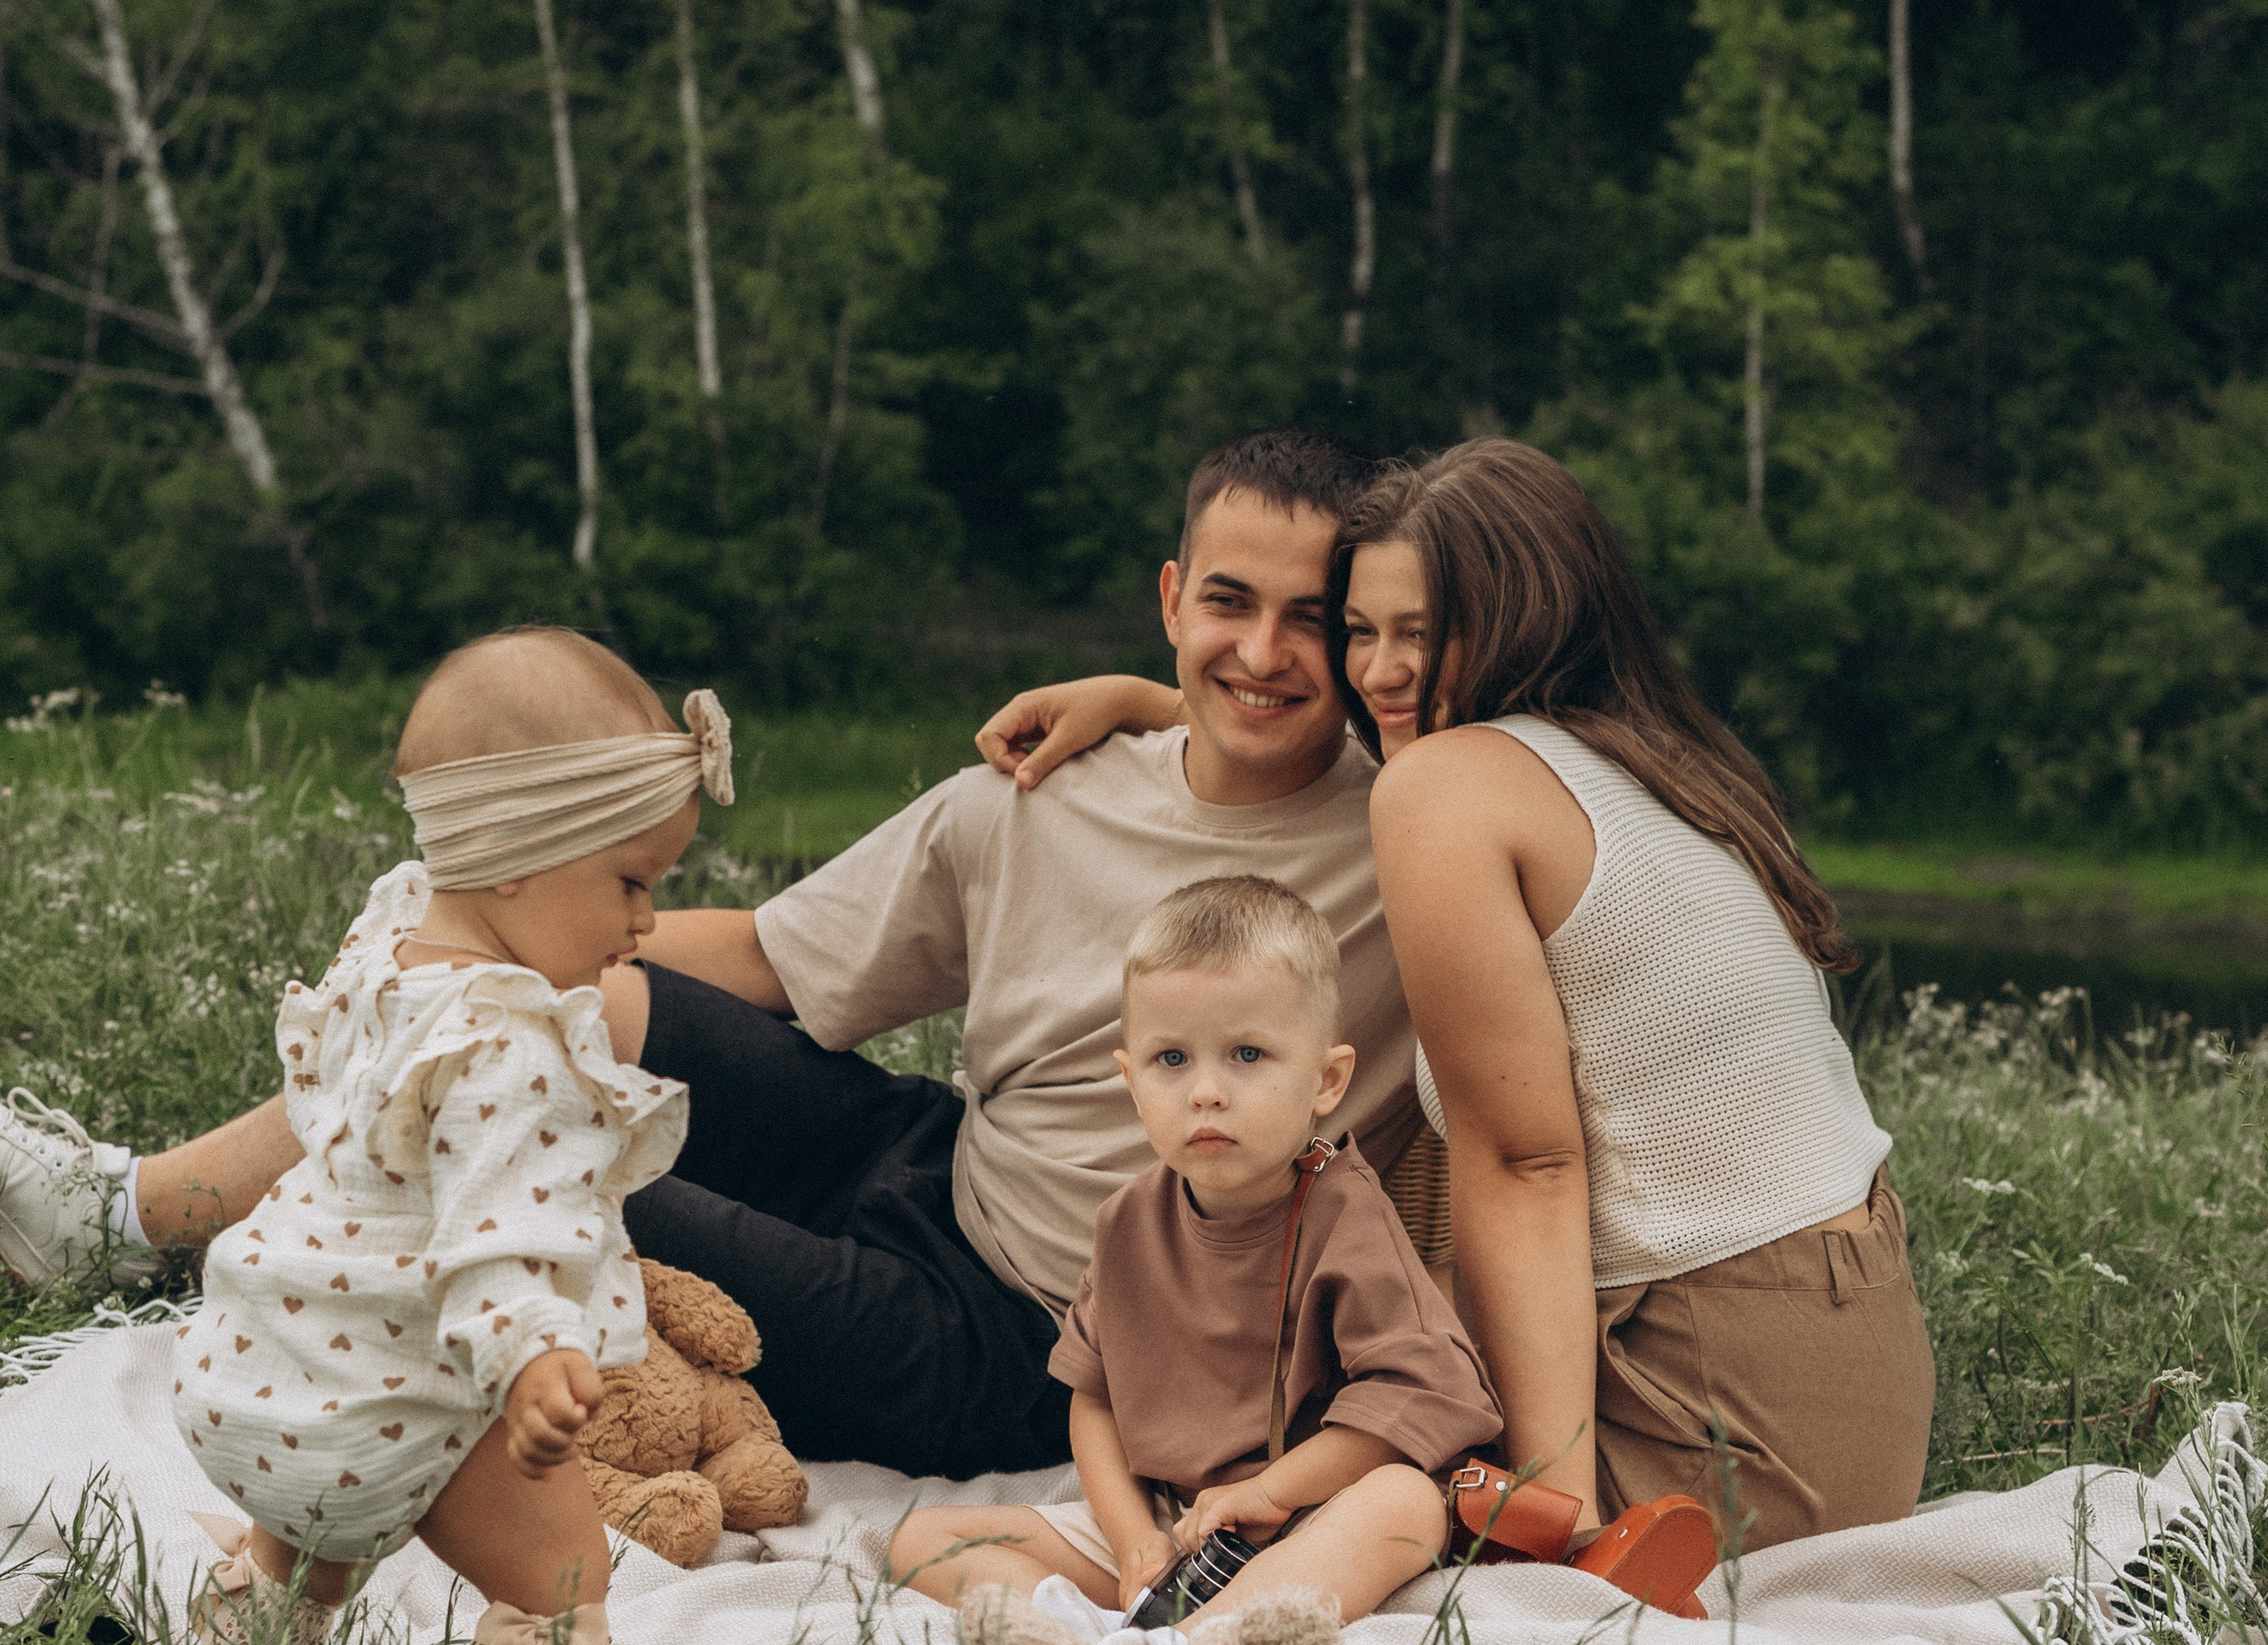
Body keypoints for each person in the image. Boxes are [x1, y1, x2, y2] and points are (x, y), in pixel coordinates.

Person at [0, 430, 1422, 1481]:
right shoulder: (1047, 788)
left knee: (541, 1175)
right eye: (1233, 602)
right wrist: (459, 934)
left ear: (1367, 638)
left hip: (1016, 1338)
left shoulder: (1412, 843)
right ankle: (123, 1212)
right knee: (551, 1004)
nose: (1267, 652)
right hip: (928, 1157)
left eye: (1316, 617)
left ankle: (280, 1280)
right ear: (1172, 598)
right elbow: (769, 953)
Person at [972, 438, 1937, 1553]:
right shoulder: (1664, 761)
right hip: (1855, 1369)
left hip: (1718, 1403)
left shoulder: (1445, 785)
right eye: (1361, 632)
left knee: (1342, 1483)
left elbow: (1527, 1164)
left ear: (1532, 620)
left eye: (1421, 636)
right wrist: (1151, 703)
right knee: (1375, 1351)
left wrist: (1551, 1517)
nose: (1378, 672)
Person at [170, 628, 723, 1645]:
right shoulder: (511, 1049)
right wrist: (534, 1356)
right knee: (562, 1583)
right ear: (521, 860)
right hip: (405, 1384)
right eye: (632, 882)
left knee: (303, 1560)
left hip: (273, 1369)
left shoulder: (394, 939)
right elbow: (496, 1235)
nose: (647, 924)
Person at [889, 875, 1499, 1629]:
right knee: (922, 1541)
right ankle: (1099, 1637)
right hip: (1178, 1528)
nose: (1206, 1091)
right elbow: (1096, 1400)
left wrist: (1275, 1493)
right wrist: (1134, 1540)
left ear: (1326, 1080)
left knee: (1406, 1505)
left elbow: (1422, 1397)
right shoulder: (1127, 1222)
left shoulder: (1346, 1214)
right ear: (1131, 1081)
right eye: (1171, 1060)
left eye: (1247, 1054)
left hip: (1308, 1520)